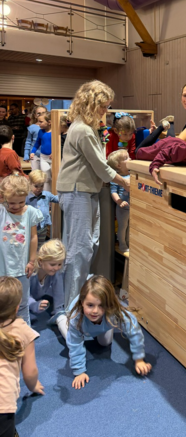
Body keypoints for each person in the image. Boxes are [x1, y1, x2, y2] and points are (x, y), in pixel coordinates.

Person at [56, 80, 130, 308]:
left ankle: (78, 301)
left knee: (89, 245)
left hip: (86, 190)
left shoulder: (87, 128)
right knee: (79, 250)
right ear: (91, 104)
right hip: (77, 191)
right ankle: (71, 307)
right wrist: (124, 182)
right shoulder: (83, 130)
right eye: (103, 106)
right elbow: (100, 166)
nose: (105, 111)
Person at [66, 275, 152, 389]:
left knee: (105, 343)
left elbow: (134, 330)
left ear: (108, 305)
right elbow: (74, 344)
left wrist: (139, 359)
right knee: (68, 335)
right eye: (90, 305)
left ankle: (103, 325)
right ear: (82, 302)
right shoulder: (75, 318)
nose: (95, 311)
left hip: (104, 321)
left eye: (101, 306)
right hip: (81, 324)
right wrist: (79, 371)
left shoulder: (114, 312)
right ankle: (61, 319)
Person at [0, 276, 44, 437]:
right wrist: (33, 386)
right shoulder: (22, 330)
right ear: (17, 307)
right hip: (3, 402)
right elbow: (30, 372)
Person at [0, 175, 43, 325]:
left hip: (22, 268)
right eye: (12, 202)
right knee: (3, 303)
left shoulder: (30, 212)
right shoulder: (2, 211)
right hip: (2, 269)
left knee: (23, 303)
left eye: (21, 202)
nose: (17, 206)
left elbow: (33, 237)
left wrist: (32, 261)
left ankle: (25, 331)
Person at [136, 80, 186, 151]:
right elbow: (177, 139)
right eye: (184, 95)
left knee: (139, 151)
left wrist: (161, 129)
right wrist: (159, 133)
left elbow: (177, 142)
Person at [29, 239, 67, 339]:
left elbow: (58, 293)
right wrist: (33, 305)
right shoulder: (31, 272)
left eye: (59, 264)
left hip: (36, 299)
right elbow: (22, 294)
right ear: (40, 261)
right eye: (53, 264)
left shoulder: (55, 273)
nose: (56, 268)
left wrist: (59, 311)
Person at [26, 170, 59, 247]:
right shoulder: (26, 197)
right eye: (36, 186)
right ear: (30, 183)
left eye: (41, 186)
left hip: (43, 228)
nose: (39, 188)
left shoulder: (46, 195)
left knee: (40, 246)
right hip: (30, 228)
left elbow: (57, 199)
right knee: (30, 246)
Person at [107, 150, 130, 253]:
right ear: (118, 165)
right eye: (126, 158)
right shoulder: (116, 178)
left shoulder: (132, 174)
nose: (130, 159)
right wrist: (119, 202)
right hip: (123, 208)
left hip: (133, 207)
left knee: (131, 226)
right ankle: (122, 243)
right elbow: (113, 192)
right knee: (123, 227)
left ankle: (129, 242)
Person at [30, 112, 52, 193]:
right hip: (44, 157)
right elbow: (37, 142)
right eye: (38, 121)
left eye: (41, 122)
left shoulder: (56, 131)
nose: (39, 124)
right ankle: (46, 195)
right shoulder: (40, 131)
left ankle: (54, 194)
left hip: (54, 158)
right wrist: (33, 151)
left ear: (49, 122)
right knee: (46, 178)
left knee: (54, 177)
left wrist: (55, 153)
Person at [24, 105, 47, 170]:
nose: (41, 115)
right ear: (34, 115)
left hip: (46, 154)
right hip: (35, 154)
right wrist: (26, 154)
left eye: (43, 113)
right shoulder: (32, 127)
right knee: (35, 173)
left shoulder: (50, 126)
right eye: (38, 113)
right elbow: (28, 141)